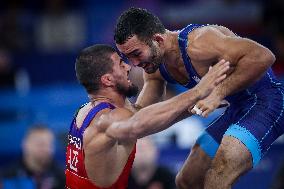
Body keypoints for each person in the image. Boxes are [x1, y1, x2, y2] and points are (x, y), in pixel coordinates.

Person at [114, 7, 284, 189]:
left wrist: (217, 93)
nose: (134, 64)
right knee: (187, 180)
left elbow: (264, 56)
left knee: (219, 175)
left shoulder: (198, 42)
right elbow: (141, 116)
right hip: (237, 109)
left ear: (158, 40)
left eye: (136, 54)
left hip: (267, 102)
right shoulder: (154, 69)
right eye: (128, 57)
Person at [65, 44, 229, 189]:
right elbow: (144, 123)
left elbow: (142, 115)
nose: (128, 68)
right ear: (107, 80)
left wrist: (194, 105)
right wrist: (198, 92)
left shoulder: (85, 110)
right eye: (121, 65)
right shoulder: (107, 117)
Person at [0, 125, 65, 189]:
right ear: (25, 145)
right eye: (40, 144)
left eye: (49, 145)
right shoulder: (7, 176)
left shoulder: (63, 176)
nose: (46, 149)